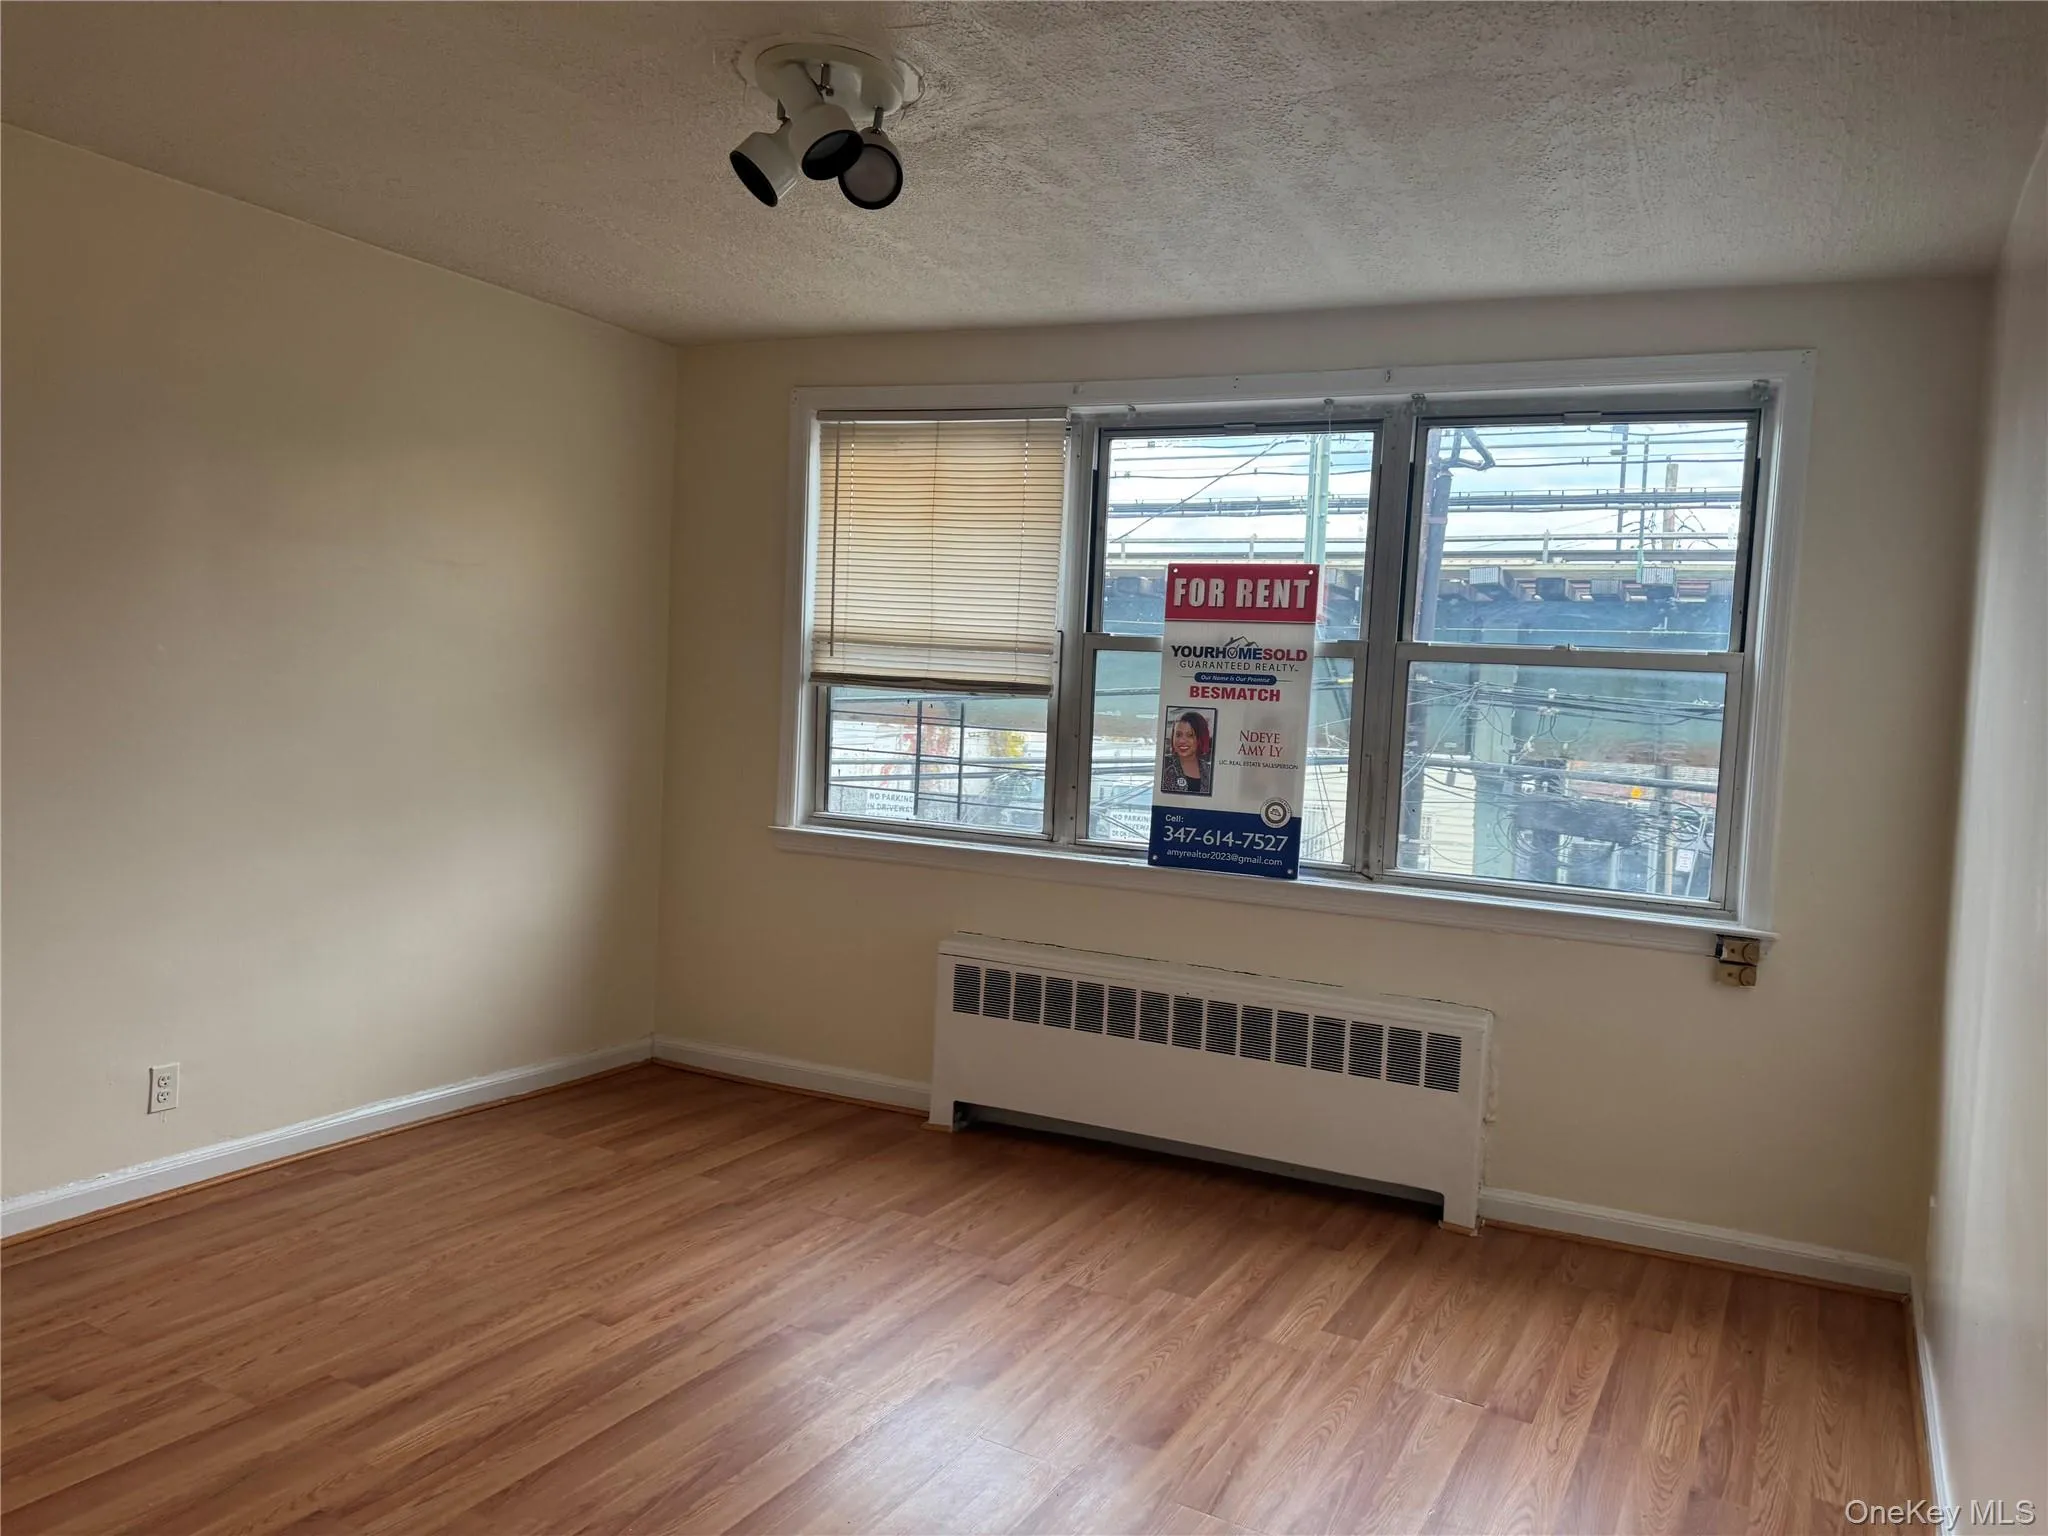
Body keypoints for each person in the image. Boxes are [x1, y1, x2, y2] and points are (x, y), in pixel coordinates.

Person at [1160, 710, 1213, 796]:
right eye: (1178, 735)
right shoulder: (1164, 764)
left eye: (1190, 735)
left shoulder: (1208, 770)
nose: (1182, 741)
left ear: (1201, 738)